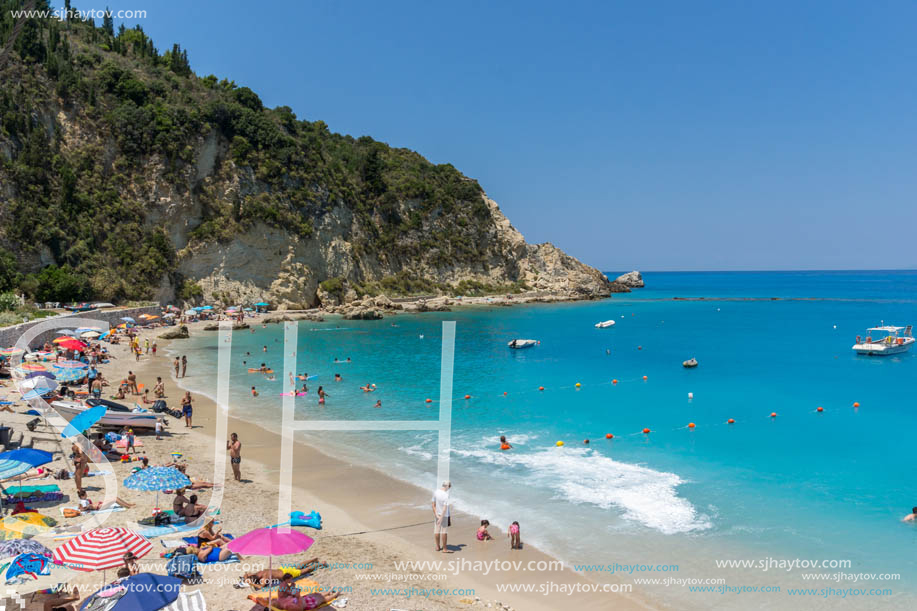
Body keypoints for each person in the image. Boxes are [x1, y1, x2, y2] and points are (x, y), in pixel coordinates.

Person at [432, 481, 451, 553]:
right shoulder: (446, 495)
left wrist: (436, 515)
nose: (448, 489)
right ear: (447, 486)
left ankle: (437, 546)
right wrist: (441, 518)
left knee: (437, 530)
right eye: (449, 487)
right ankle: (444, 549)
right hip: (444, 515)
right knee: (444, 532)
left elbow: (433, 505)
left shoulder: (435, 492)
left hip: (437, 514)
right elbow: (444, 508)